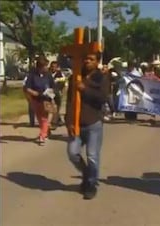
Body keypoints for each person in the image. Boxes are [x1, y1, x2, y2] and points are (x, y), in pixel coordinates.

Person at [65, 52, 110, 200]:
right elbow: (70, 102)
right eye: (85, 58)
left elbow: (103, 98)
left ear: (97, 61)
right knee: (72, 153)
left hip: (93, 123)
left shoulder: (101, 77)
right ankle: (86, 174)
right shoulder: (75, 77)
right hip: (77, 124)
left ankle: (91, 184)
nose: (87, 61)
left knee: (92, 156)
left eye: (91, 59)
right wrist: (69, 121)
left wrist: (85, 89)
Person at [24, 56, 54, 145]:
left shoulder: (48, 75)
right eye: (45, 66)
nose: (47, 67)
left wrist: (52, 93)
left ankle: (42, 136)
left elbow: (53, 86)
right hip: (36, 99)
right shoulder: (32, 75)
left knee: (44, 118)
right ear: (40, 67)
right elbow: (27, 87)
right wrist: (33, 92)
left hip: (46, 99)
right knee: (40, 118)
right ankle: (45, 130)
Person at [49, 61, 66, 129]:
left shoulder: (60, 75)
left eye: (55, 67)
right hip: (49, 92)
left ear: (57, 67)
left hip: (58, 93)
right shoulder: (48, 74)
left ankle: (55, 122)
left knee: (56, 108)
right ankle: (56, 121)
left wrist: (61, 92)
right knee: (53, 108)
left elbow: (63, 84)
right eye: (52, 67)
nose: (53, 68)